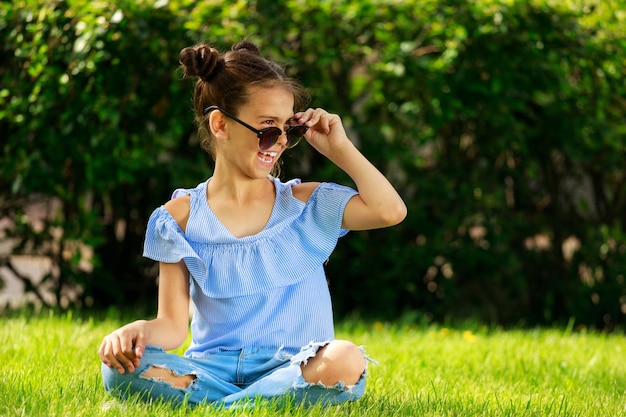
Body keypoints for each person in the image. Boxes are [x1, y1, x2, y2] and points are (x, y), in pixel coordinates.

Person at [98, 40, 406, 410]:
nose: (277, 144)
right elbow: (173, 326)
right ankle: (254, 405)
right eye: (266, 128)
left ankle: (224, 408)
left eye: (287, 130)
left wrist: (340, 149)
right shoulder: (177, 218)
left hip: (295, 367)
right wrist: (138, 330)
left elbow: (390, 211)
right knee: (118, 371)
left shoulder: (306, 205)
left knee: (344, 359)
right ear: (220, 125)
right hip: (211, 370)